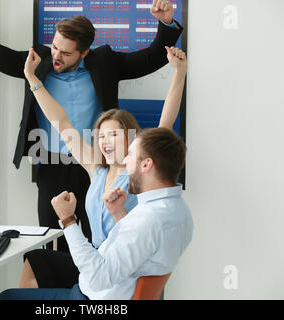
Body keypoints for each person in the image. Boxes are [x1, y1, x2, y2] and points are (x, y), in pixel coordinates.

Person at [0, 0, 183, 252]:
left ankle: (89, 289)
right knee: (49, 239)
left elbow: (150, 58)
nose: (57, 56)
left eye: (66, 53)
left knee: (95, 239)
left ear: (84, 52)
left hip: (95, 164)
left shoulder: (105, 62)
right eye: (55, 46)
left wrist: (165, 22)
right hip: (51, 163)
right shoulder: (38, 61)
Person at [18, 45, 187, 289]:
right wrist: (32, 78)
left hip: (116, 268)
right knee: (35, 261)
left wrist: (179, 72)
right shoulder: (97, 170)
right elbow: (62, 123)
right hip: (95, 256)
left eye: (114, 135)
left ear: (132, 138)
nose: (105, 142)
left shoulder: (140, 173)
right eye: (101, 136)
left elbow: (166, 122)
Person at [0, 126, 194, 300]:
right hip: (115, 288)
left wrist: (67, 220)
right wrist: (119, 214)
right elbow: (142, 249)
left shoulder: (148, 219)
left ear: (146, 165)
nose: (125, 160)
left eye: (131, 155)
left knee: (7, 297)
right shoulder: (179, 211)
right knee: (39, 262)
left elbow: (99, 278)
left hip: (92, 298)